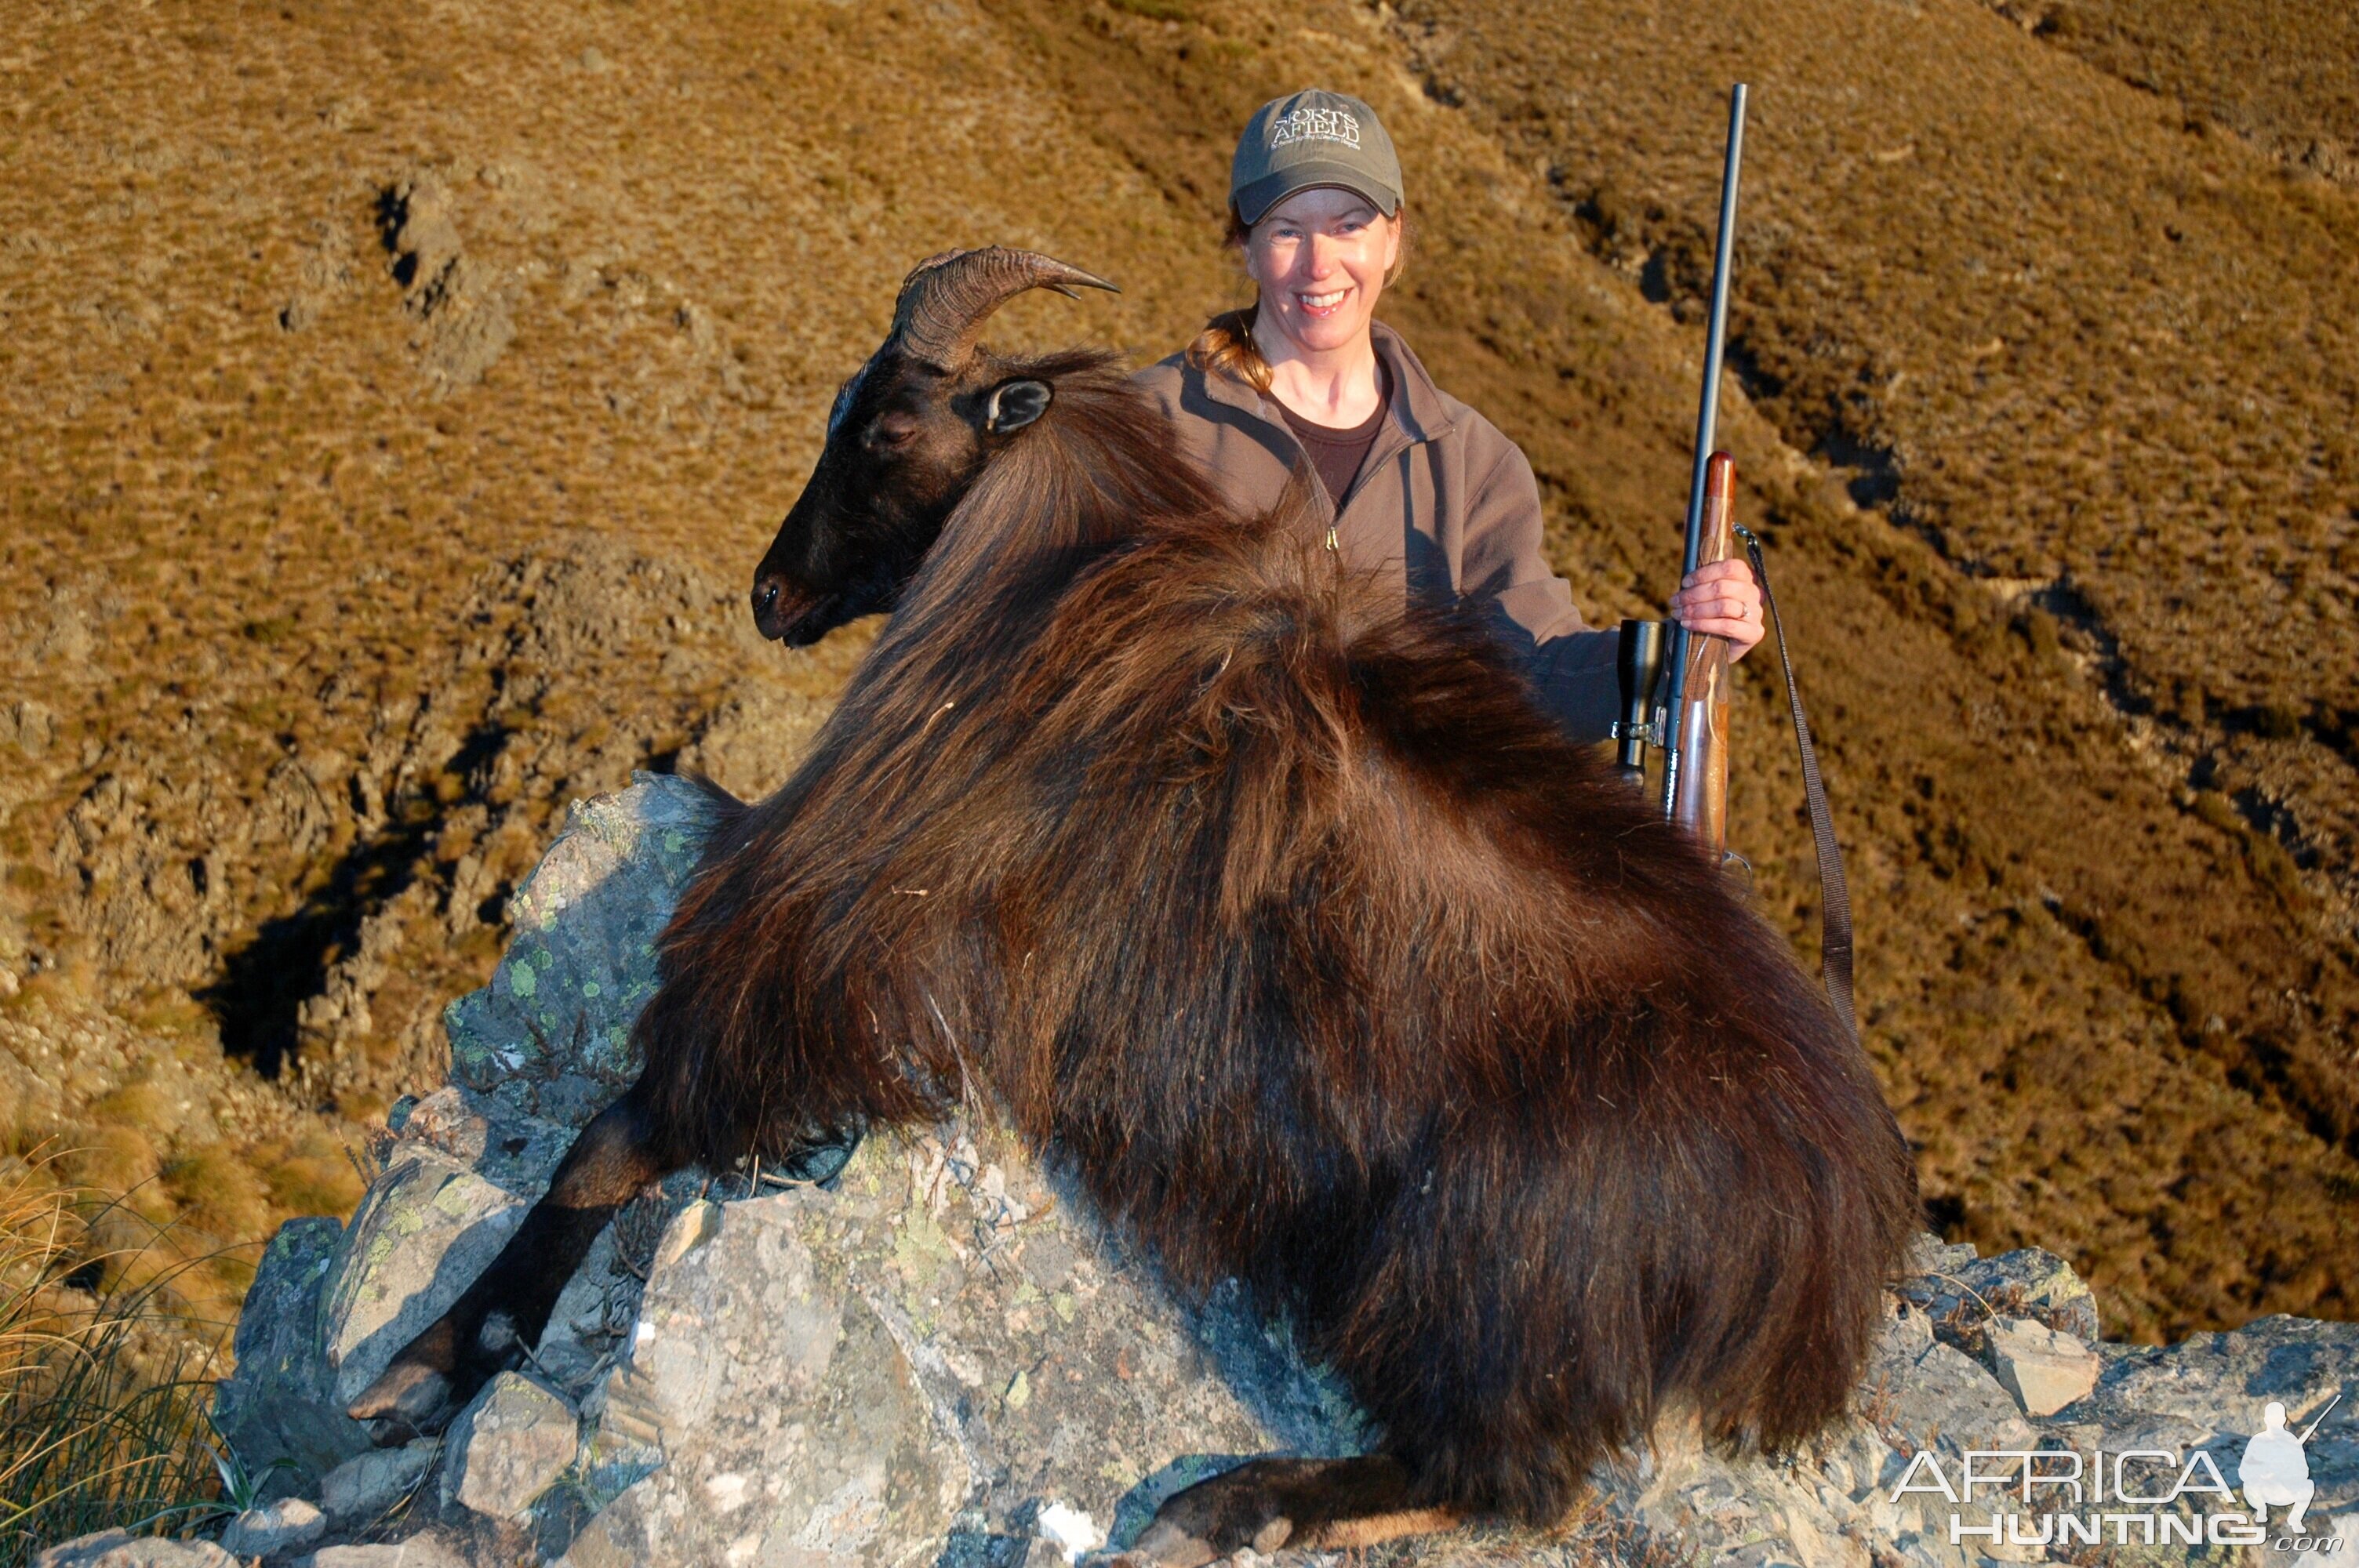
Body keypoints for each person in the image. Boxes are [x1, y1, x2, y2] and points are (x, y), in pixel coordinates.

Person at [1132, 89, 1764, 742]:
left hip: (1393, 848)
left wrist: (1682, 658)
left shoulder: (1472, 462)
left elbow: (1534, 671)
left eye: (1350, 225)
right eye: (1288, 230)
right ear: (1246, 245)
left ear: (1392, 239)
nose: (1320, 265)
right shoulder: (1147, 427)